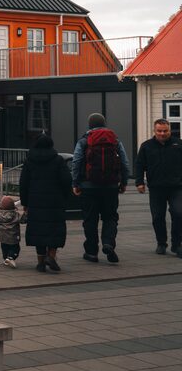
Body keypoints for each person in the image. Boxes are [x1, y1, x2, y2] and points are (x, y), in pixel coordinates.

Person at [72, 113, 130, 263]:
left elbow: (76, 162)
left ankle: (91, 252)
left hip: (88, 186)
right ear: (104, 123)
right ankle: (108, 243)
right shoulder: (114, 140)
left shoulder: (84, 140)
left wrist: (75, 183)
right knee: (110, 216)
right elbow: (124, 162)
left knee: (90, 219)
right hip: (110, 186)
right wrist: (123, 182)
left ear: (89, 124)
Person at [21, 134, 72, 273]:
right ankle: (51, 256)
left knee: (39, 230)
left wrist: (25, 202)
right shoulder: (58, 160)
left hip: (35, 201)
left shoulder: (29, 161)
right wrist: (65, 196)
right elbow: (67, 180)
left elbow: (23, 183)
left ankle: (40, 262)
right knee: (54, 229)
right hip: (55, 201)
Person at [134, 118, 182, 256]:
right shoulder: (146, 146)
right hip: (156, 188)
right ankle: (161, 243)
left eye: (165, 131)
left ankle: (177, 244)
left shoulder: (178, 144)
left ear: (170, 130)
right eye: (159, 131)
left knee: (179, 213)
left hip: (176, 187)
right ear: (154, 131)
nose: (162, 133)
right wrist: (139, 182)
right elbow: (139, 165)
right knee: (157, 216)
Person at [0, 195, 21, 268]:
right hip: (13, 236)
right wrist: (26, 213)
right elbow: (23, 220)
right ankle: (11, 257)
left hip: (2, 236)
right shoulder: (16, 214)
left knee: (4, 247)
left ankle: (5, 258)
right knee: (15, 247)